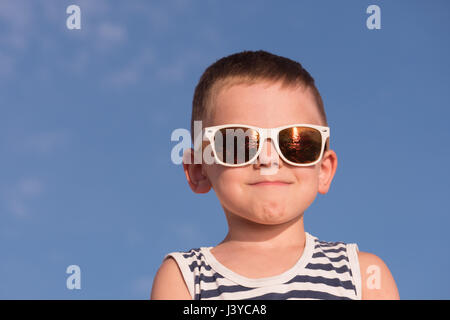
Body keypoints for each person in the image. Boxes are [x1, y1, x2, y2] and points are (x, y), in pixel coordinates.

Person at [151, 50, 399, 300]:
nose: (268, 159)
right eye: (240, 142)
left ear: (323, 170)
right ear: (198, 170)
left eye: (297, 142)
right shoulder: (184, 278)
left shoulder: (363, 275)